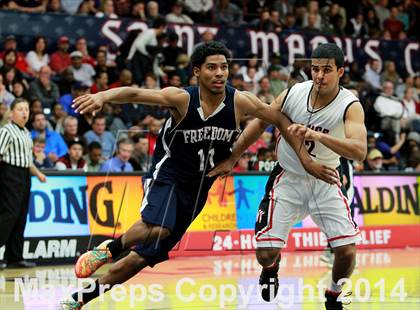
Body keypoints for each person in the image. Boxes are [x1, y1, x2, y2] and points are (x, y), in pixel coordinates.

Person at [61, 41, 336, 309]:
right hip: (169, 174)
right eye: (211, 68)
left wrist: (238, 157)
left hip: (199, 186)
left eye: (224, 67)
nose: (219, 73)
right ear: (196, 71)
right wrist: (102, 96)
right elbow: (135, 94)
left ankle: (80, 300)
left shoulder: (239, 102)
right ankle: (108, 249)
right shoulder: (181, 99)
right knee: (159, 226)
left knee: (141, 260)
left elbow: (277, 119)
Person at [209, 43, 367, 309]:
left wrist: (316, 135)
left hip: (325, 179)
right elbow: (260, 121)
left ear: (340, 71)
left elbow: (360, 151)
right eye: (315, 69)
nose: (319, 76)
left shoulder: (350, 105)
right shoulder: (294, 92)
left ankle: (334, 296)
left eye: (326, 70)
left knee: (347, 250)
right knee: (264, 254)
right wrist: (234, 157)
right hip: (288, 178)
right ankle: (271, 269)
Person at [0, 98, 46, 269]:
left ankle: (14, 257)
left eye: (26, 109)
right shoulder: (6, 131)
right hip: (9, 175)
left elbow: (28, 161)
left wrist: (39, 174)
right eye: (20, 109)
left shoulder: (26, 132)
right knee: (8, 215)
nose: (25, 112)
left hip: (24, 176)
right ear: (11, 113)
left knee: (20, 217)